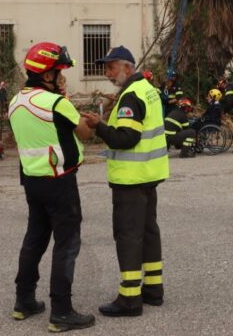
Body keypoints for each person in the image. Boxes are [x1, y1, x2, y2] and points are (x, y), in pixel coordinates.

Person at [8, 42, 96, 331]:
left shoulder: (16, 102)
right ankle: (61, 311)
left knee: (34, 238)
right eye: (59, 72)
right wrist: (73, 108)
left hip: (32, 181)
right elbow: (84, 133)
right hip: (60, 181)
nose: (62, 77)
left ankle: (24, 301)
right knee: (67, 244)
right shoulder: (57, 103)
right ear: (46, 76)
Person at [83, 46, 168, 318]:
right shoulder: (147, 89)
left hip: (130, 179)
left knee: (128, 236)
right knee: (148, 232)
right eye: (106, 67)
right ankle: (153, 290)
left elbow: (125, 139)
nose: (107, 73)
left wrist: (99, 126)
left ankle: (130, 297)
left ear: (127, 68)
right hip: (148, 175)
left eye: (111, 67)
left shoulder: (131, 96)